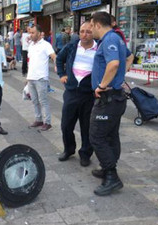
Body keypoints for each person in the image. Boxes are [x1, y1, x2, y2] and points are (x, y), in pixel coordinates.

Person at [89, 12, 134, 196]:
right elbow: (129, 58)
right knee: (111, 135)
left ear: (98, 25)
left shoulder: (109, 39)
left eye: (91, 26)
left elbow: (114, 64)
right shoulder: (116, 38)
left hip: (108, 98)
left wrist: (102, 85)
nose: (90, 30)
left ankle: (112, 176)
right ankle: (108, 168)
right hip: (115, 98)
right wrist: (123, 73)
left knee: (96, 136)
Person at [56, 21, 97, 165]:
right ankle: (69, 149)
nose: (84, 34)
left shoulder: (99, 48)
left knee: (87, 127)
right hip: (72, 92)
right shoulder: (72, 46)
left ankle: (85, 154)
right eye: (82, 31)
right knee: (66, 125)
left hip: (89, 94)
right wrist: (61, 74)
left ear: (94, 33)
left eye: (88, 31)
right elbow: (59, 59)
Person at [27, 24, 57, 131]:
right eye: (30, 33)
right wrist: (27, 78)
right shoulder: (31, 45)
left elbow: (54, 56)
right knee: (34, 101)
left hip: (41, 78)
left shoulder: (46, 45)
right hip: (31, 77)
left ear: (39, 34)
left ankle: (47, 122)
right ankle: (38, 119)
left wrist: (57, 65)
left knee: (43, 101)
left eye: (33, 33)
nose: (31, 35)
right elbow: (30, 61)